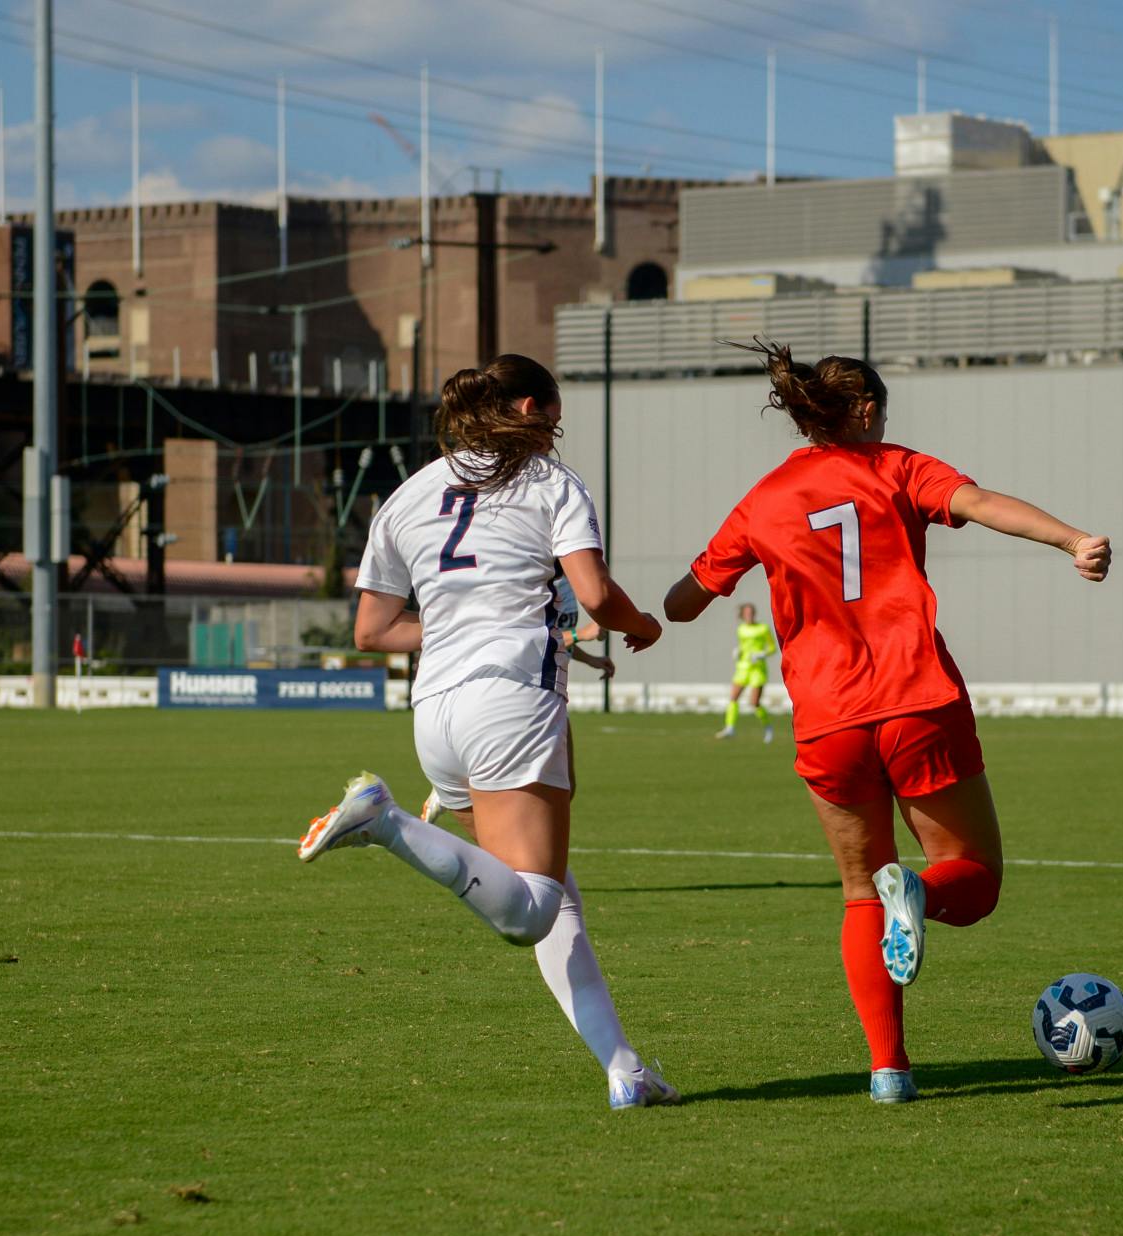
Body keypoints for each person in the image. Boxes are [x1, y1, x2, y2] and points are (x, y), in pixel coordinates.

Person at [663, 340, 1111, 1105]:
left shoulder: (764, 498)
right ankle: (921, 896)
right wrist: (1073, 539)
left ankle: (889, 1070)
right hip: (915, 699)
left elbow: (683, 601)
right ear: (866, 411)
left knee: (860, 891)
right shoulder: (897, 468)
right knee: (973, 879)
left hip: (828, 719)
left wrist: (659, 611)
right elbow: (981, 503)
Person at [299, 353, 679, 1111]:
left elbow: (372, 631)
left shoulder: (408, 493)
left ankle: (624, 1069)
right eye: (554, 418)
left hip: (435, 712)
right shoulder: (551, 482)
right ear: (531, 409)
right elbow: (596, 594)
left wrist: (463, 624)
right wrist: (643, 624)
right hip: (509, 701)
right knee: (530, 911)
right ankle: (385, 822)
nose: (556, 434)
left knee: (551, 895)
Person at [420, 571, 613, 824]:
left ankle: (459, 794)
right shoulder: (532, 579)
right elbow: (531, 637)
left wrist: (591, 659)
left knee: (564, 787)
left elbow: (554, 636)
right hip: (522, 689)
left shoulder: (565, 581)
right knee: (537, 789)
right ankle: (458, 795)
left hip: (547, 688)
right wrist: (580, 634)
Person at [714, 602, 778, 743]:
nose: (749, 615)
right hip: (743, 667)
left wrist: (762, 654)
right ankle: (730, 728)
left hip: (757, 668)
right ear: (743, 615)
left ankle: (768, 727)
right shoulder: (741, 629)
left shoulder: (763, 628)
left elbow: (773, 647)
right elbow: (743, 646)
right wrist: (738, 652)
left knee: (754, 702)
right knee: (733, 697)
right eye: (747, 613)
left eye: (751, 613)